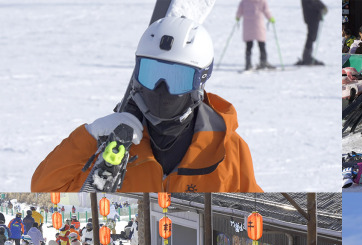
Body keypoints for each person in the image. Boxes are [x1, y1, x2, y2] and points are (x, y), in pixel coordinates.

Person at [32, 16, 262, 193]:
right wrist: (89, 136)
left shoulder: (227, 149)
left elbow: (251, 208)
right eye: (151, 74)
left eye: (177, 79)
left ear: (200, 82)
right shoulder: (111, 145)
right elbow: (45, 189)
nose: (161, 90)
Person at [236, 0, 275, 71]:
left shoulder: (244, 2)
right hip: (258, 25)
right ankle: (263, 61)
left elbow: (239, 11)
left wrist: (237, 17)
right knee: (261, 44)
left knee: (249, 46)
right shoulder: (262, 1)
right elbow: (266, 11)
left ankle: (248, 64)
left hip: (248, 26)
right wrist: (270, 18)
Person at [298, 0, 328, 65]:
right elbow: (312, 2)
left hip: (312, 14)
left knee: (312, 36)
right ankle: (307, 57)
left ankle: (307, 56)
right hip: (312, 15)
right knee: (312, 36)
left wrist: (322, 7)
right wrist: (322, 7)